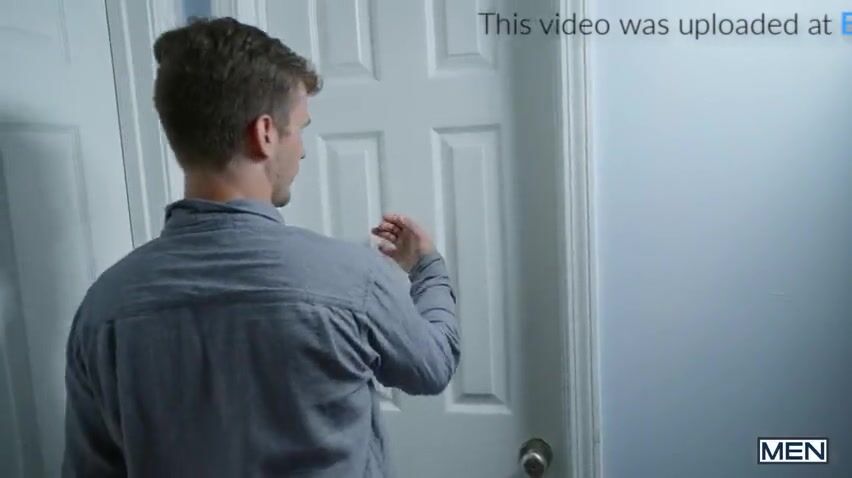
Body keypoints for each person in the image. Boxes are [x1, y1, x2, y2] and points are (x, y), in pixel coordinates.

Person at [62, 17, 460, 477]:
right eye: (300, 128)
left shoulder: (103, 308)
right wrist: (427, 266)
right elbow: (433, 365)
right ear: (266, 133)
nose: (302, 150)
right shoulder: (354, 281)